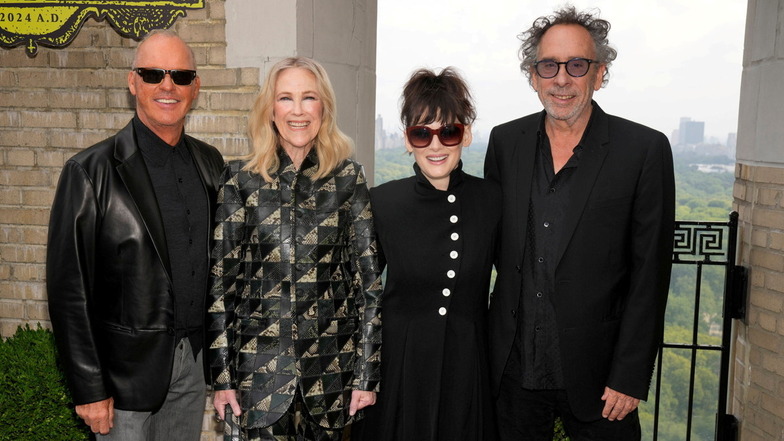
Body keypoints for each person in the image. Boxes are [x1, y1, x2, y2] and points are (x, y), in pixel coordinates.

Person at [484, 6, 676, 441]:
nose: (562, 79)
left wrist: (630, 375)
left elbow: (650, 275)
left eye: (577, 65)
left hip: (602, 377)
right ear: (533, 75)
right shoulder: (504, 141)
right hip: (513, 373)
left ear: (599, 73)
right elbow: (491, 244)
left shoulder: (643, 150)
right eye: (549, 65)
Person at [46, 30, 224, 439]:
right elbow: (68, 294)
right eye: (152, 74)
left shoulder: (210, 162)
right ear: (133, 83)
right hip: (122, 379)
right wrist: (90, 389)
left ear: (195, 88)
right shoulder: (89, 172)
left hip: (193, 366)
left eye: (180, 76)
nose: (167, 85)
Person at [207, 56, 382, 441]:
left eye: (309, 98)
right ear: (270, 110)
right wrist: (222, 378)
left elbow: (369, 286)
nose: (298, 111)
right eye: (286, 98)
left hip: (332, 377)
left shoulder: (349, 179)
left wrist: (366, 375)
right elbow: (221, 289)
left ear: (324, 108)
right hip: (257, 379)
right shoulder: (240, 180)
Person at [352, 67, 500, 441]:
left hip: (468, 372)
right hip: (399, 371)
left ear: (465, 135)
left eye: (448, 131)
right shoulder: (382, 202)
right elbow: (359, 295)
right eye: (422, 133)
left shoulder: (492, 201)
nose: (435, 146)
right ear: (407, 139)